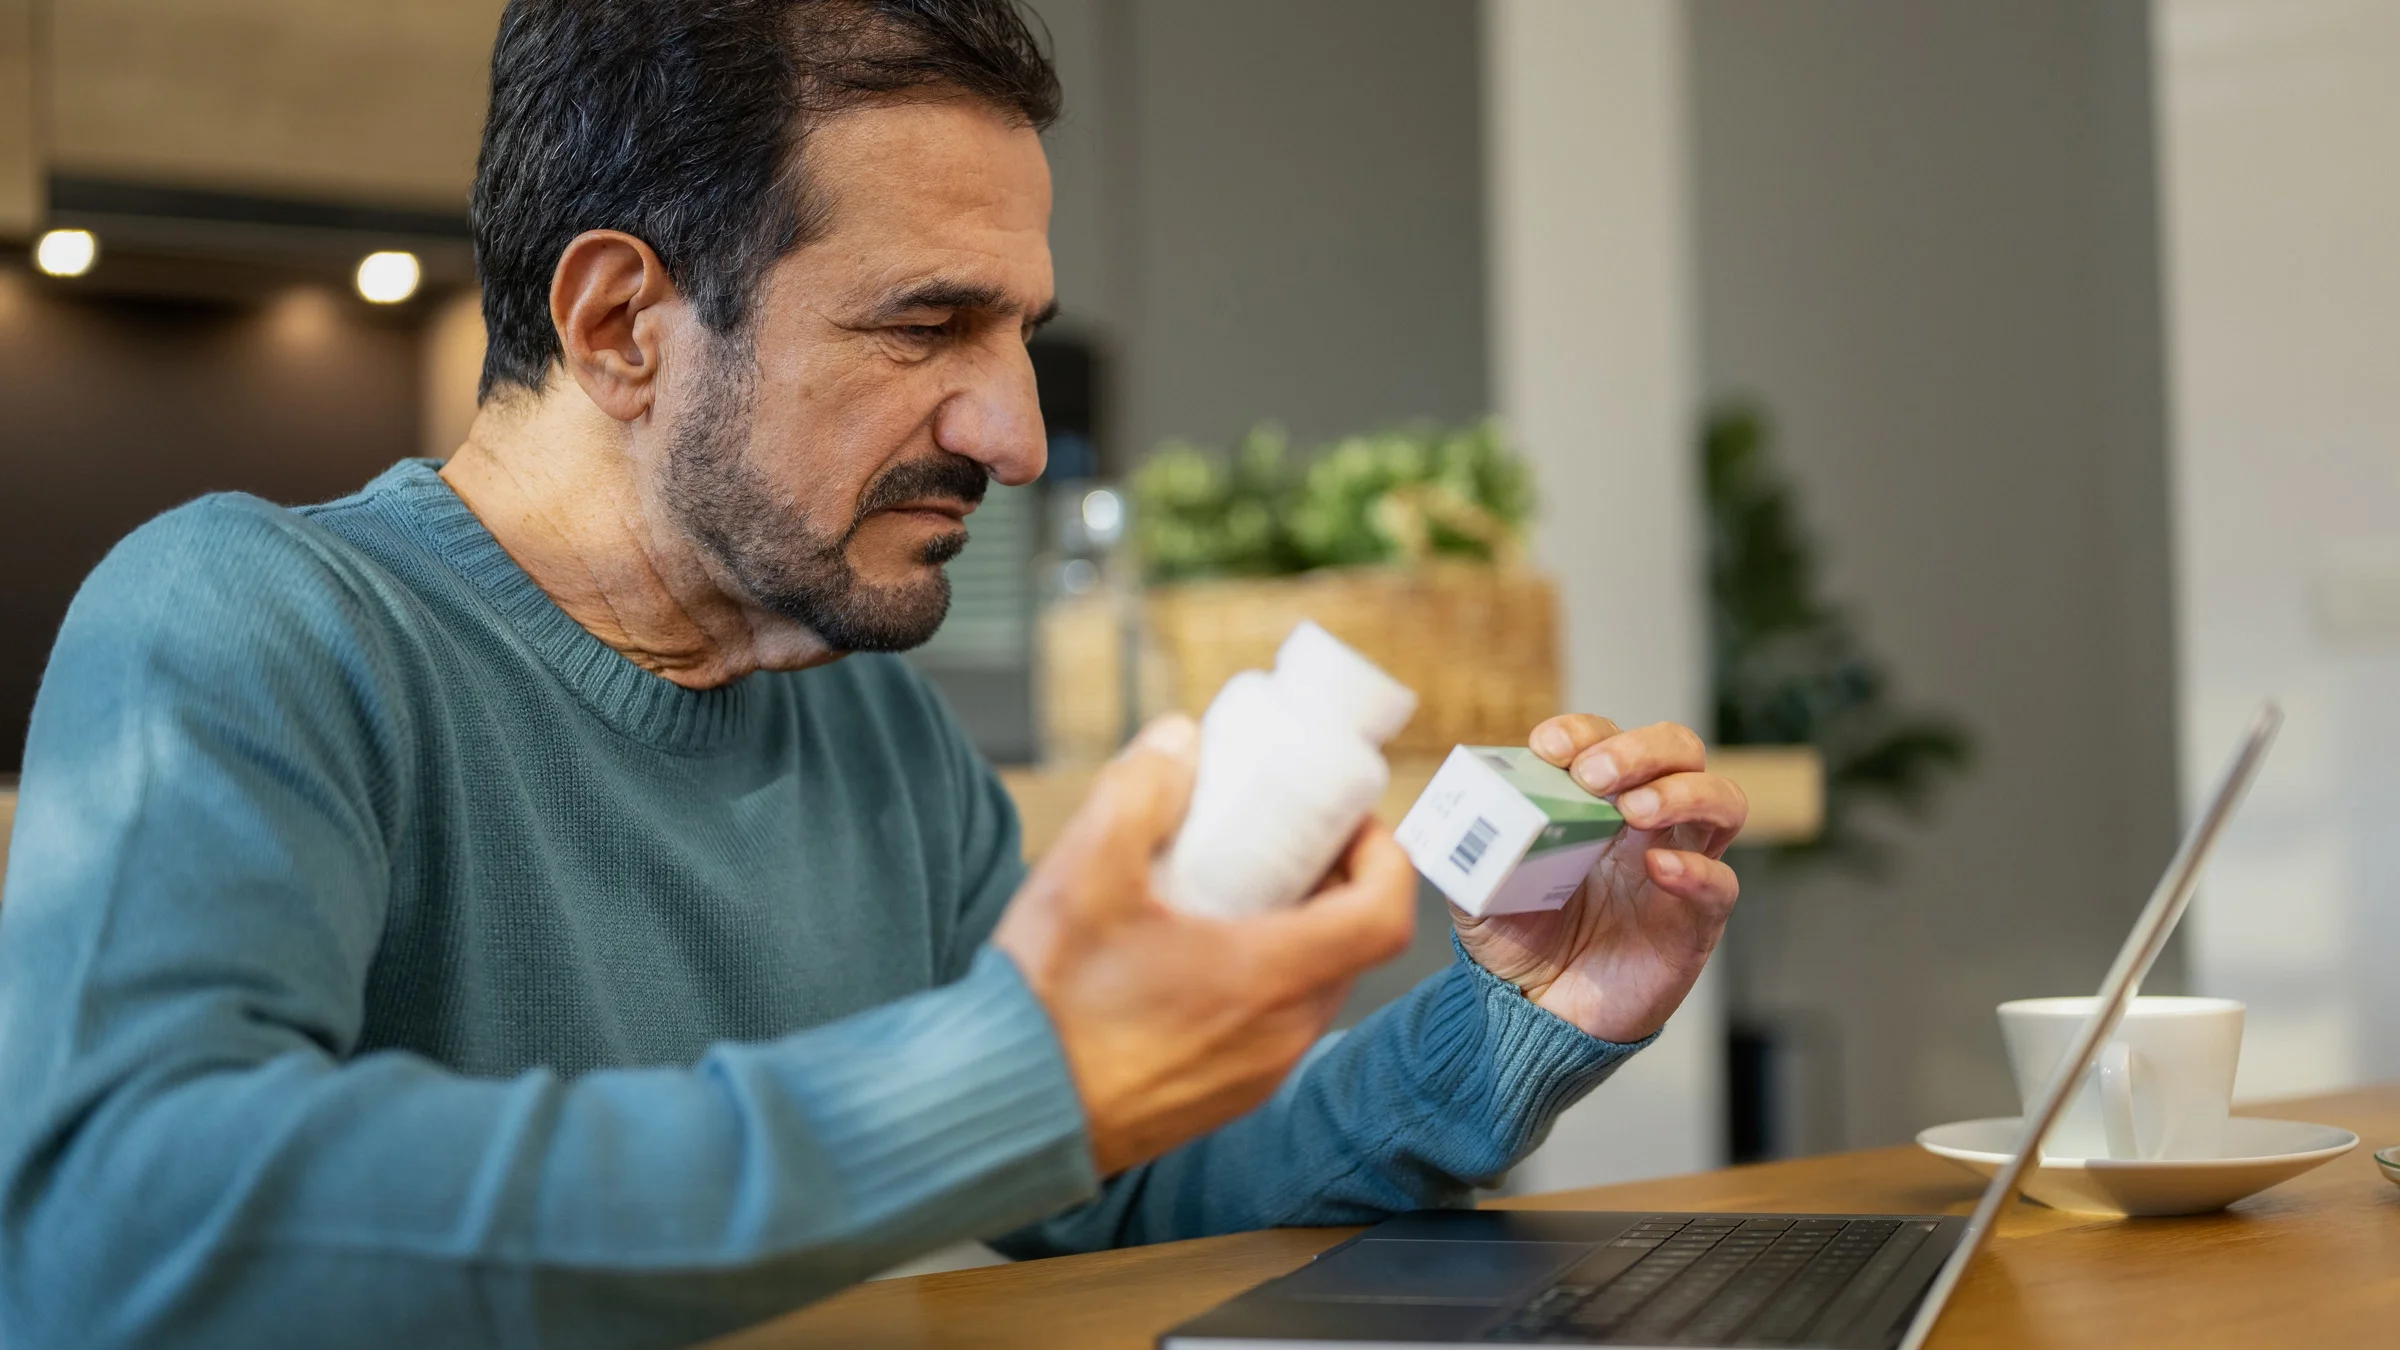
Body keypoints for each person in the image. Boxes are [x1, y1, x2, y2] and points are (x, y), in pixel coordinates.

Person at [0, 3, 1748, 1347]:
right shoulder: (247, 623)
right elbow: (121, 1237)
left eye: (1020, 335)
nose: (1018, 429)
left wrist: (1527, 1015)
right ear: (622, 326)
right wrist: (998, 1075)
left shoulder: (863, 714)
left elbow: (1109, 1194)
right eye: (928, 326)